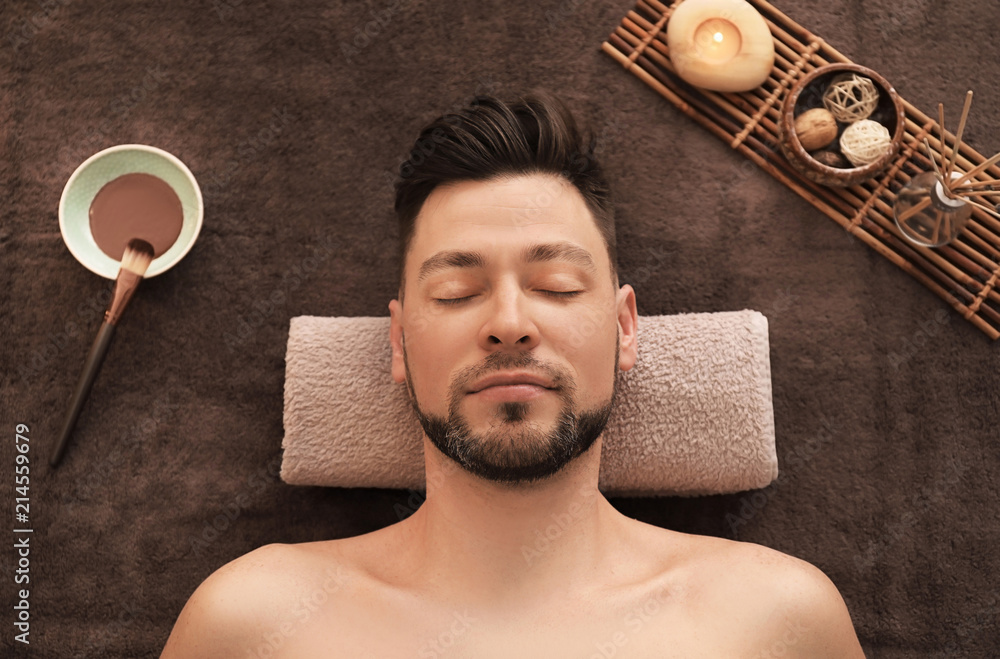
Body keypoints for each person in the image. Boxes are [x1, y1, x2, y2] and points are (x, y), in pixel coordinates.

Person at [161, 92, 866, 658]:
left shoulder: (775, 620)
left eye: (556, 285)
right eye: (456, 293)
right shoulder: (254, 621)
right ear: (400, 341)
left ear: (625, 328)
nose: (508, 321)